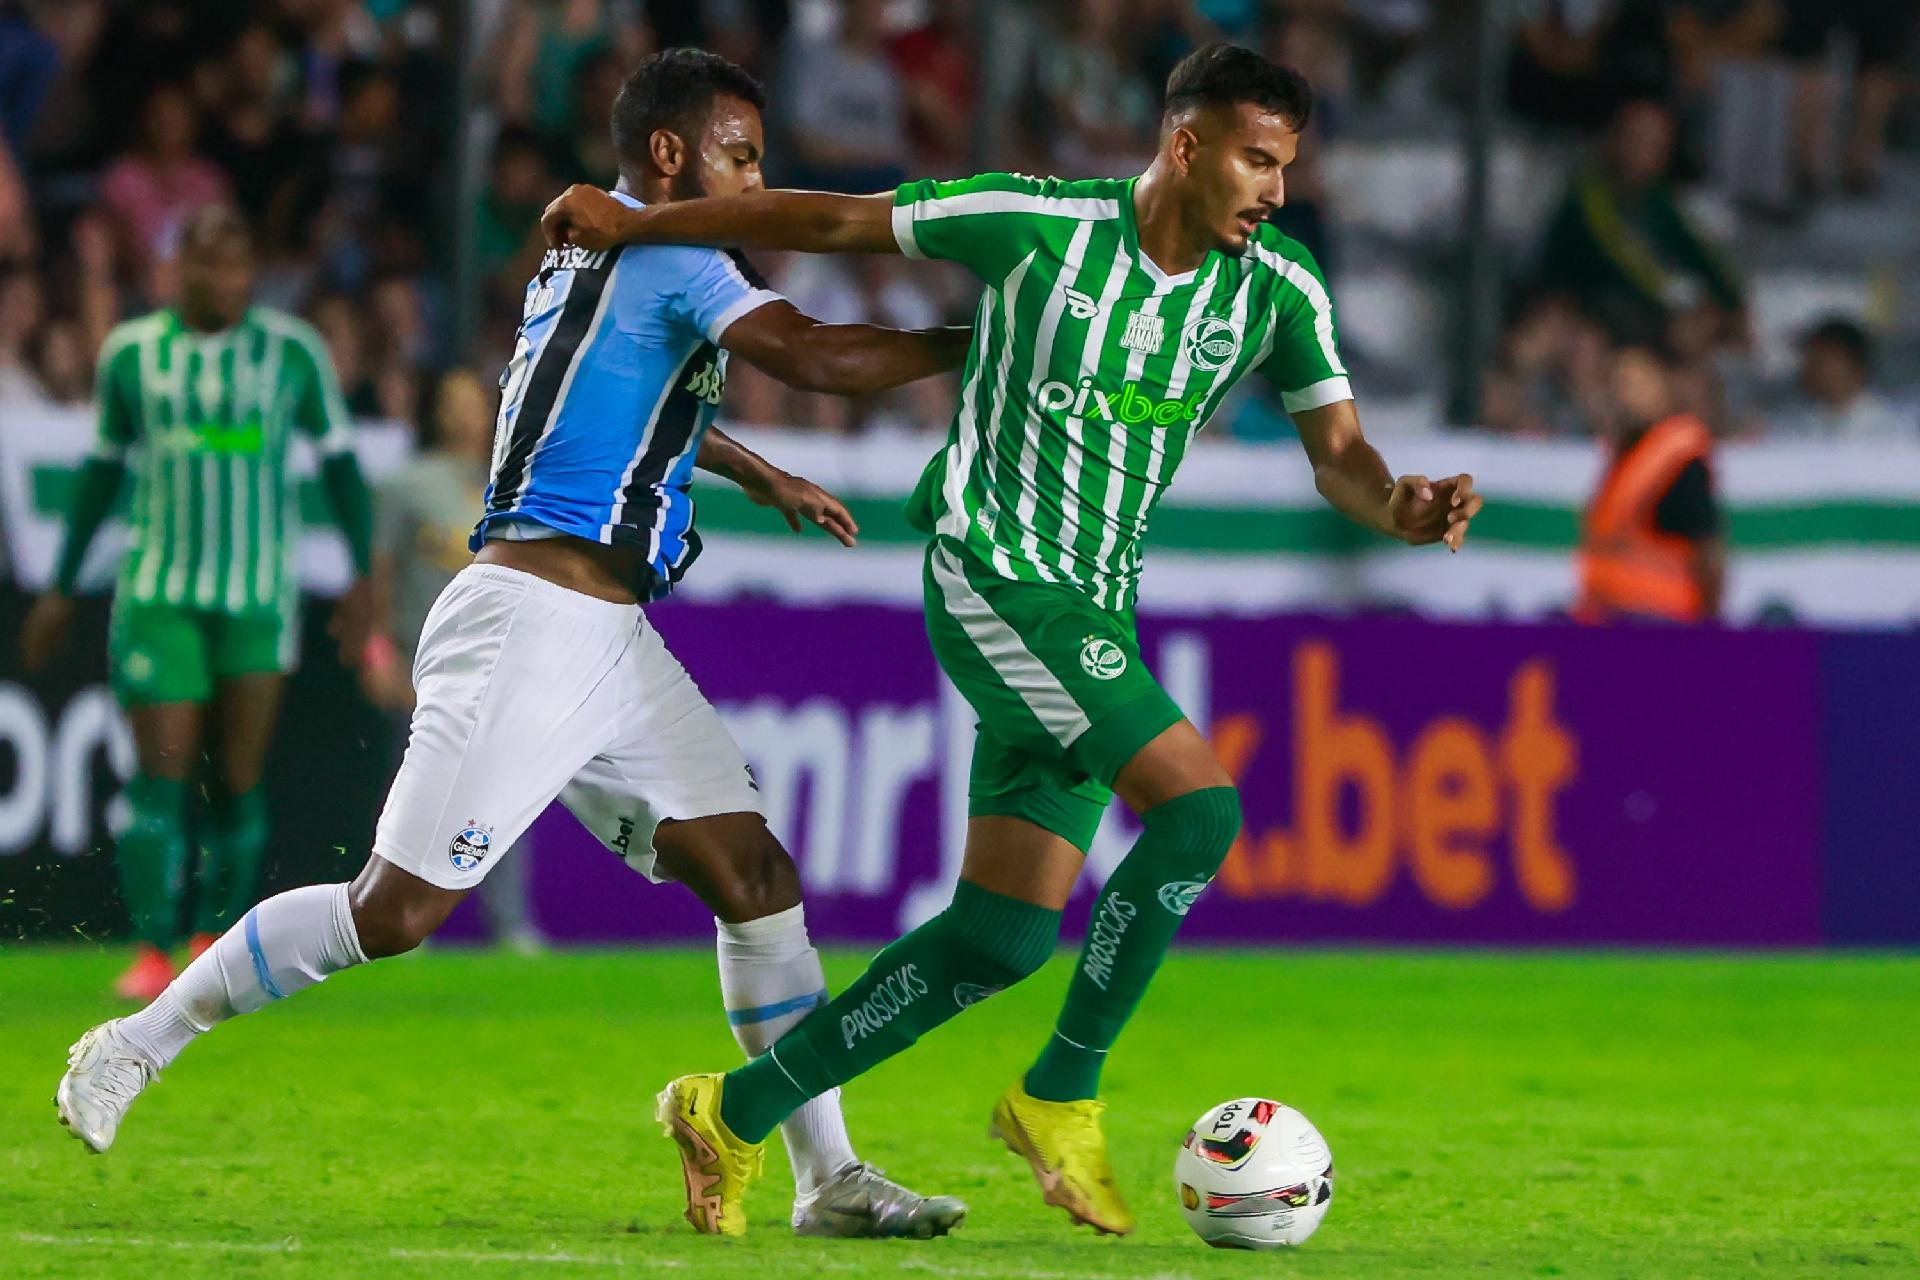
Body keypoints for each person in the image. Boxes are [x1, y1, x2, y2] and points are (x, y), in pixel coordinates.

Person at [541, 41, 1483, 1238]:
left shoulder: (1278, 291)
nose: (1274, 190)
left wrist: (1399, 505)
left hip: (1096, 606)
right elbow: (835, 221)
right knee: (1201, 812)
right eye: (1255, 159)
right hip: (997, 576)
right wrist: (638, 229)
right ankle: (1062, 1091)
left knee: (999, 936)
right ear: (1185, 146)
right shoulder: (1030, 222)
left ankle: (731, 1108)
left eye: (1285, 166)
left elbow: (1340, 456)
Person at [53, 47, 972, 1242]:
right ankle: (134, 1040)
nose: (756, 175)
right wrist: (981, 336)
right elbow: (821, 356)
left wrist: (754, 466)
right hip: (531, 622)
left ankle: (826, 1174)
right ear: (668, 154)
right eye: (740, 153)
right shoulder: (673, 251)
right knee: (392, 913)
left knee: (755, 879)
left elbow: (595, 408)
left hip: (607, 635)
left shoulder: (598, 255)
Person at [20, 207, 377, 1001]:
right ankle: (152, 949)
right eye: (209, 265)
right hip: (160, 593)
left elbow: (343, 468)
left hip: (257, 595)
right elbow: (101, 475)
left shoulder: (291, 354)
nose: (225, 281)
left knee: (237, 779)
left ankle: (215, 944)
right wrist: (60, 587)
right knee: (163, 775)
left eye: (238, 265)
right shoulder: (133, 357)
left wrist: (362, 578)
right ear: (180, 268)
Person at [360, 369, 543, 952]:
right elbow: (379, 576)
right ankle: (400, 918)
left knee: (506, 791)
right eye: (453, 402)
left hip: (501, 663)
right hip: (428, 662)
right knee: (420, 791)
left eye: (474, 402)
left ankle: (510, 921)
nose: (465, 415)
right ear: (435, 411)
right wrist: (377, 649)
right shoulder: (407, 485)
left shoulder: (515, 483)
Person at [1538, 99, 1745, 348]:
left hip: (1632, 306)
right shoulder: (1589, 193)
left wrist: (1733, 302)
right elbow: (1619, 256)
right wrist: (1677, 304)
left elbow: (1696, 251)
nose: (1645, 151)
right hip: (1578, 302)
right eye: (1637, 140)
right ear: (1614, 140)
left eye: (1656, 145)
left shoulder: (1655, 196)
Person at [1574, 344, 1723, 624]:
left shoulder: (1678, 456)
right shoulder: (1627, 454)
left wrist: (1708, 630)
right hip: (1607, 615)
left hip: (1658, 620)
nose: (1624, 395)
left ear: (1665, 385)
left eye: (1636, 383)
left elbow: (1707, 551)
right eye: (1618, 384)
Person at [1771, 317, 1912, 442]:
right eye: (1808, 360)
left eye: (1821, 361)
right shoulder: (1793, 424)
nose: (1808, 369)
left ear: (1854, 365)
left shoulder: (1893, 429)